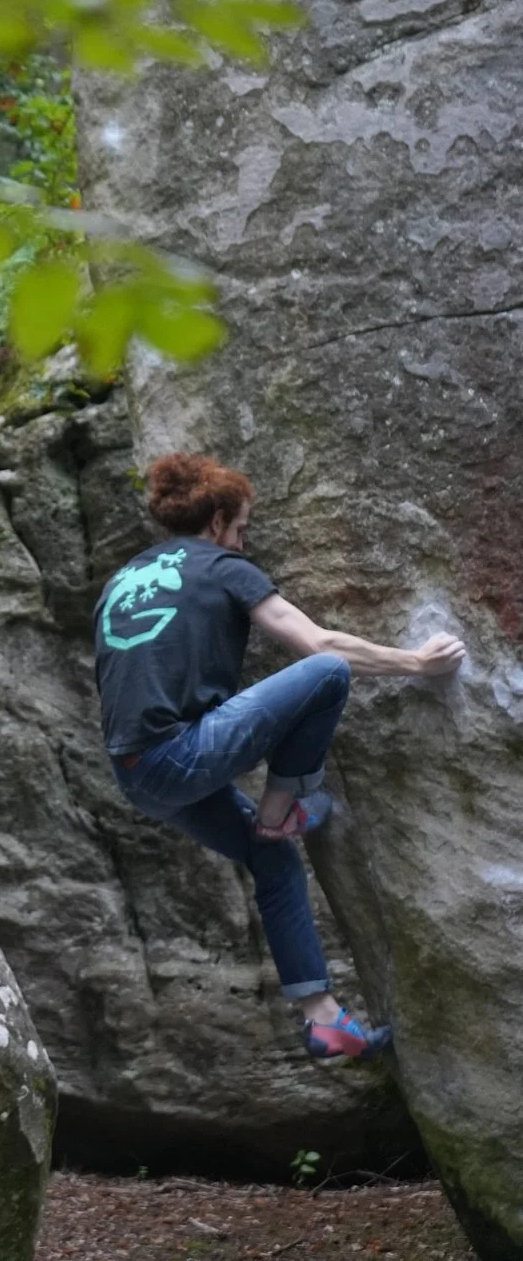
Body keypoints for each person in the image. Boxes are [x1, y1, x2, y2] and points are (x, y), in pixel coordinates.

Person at [94, 452, 466, 1058]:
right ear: (216, 522)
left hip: (136, 773)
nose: (242, 543)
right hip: (181, 753)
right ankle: (280, 810)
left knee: (273, 863)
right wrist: (417, 663)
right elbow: (318, 644)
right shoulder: (221, 565)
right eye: (241, 529)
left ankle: (322, 1018)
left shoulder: (120, 584)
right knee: (324, 674)